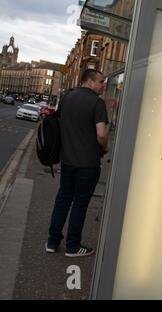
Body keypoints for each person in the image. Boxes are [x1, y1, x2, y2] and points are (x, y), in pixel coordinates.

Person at [46, 69, 109, 257]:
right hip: (88, 163)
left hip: (67, 160)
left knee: (63, 199)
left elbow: (58, 124)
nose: (103, 85)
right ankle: (73, 247)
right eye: (100, 81)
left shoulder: (67, 97)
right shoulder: (97, 103)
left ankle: (52, 241)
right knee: (80, 204)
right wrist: (104, 147)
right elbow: (102, 134)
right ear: (89, 82)